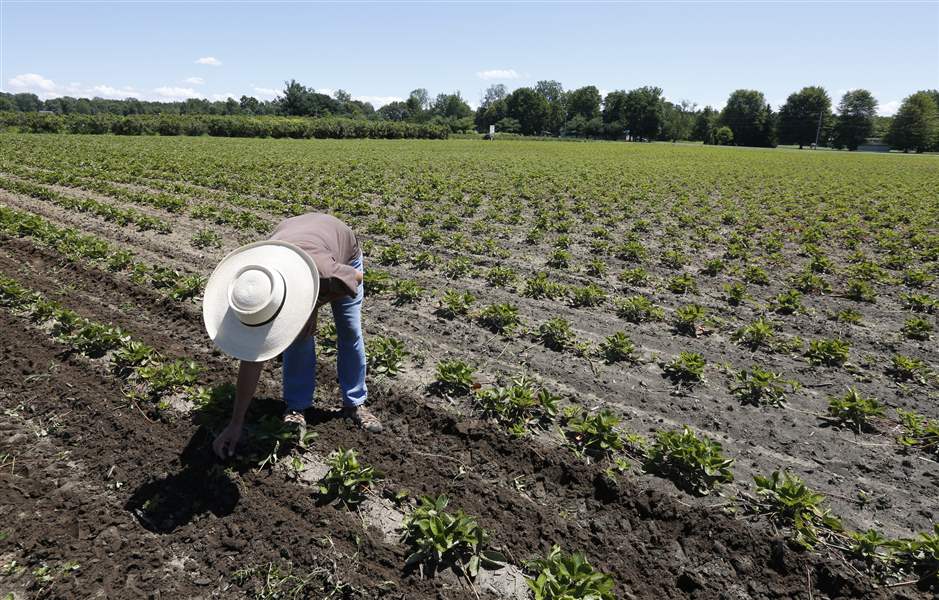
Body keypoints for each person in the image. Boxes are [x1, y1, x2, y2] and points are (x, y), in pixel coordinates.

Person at [203, 213, 382, 460]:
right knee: (297, 337)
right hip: (293, 239)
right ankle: (297, 407)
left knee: (349, 330)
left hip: (341, 255)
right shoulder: (258, 283)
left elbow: (357, 279)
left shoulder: (327, 272)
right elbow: (252, 358)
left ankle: (355, 403)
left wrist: (312, 308)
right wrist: (236, 422)